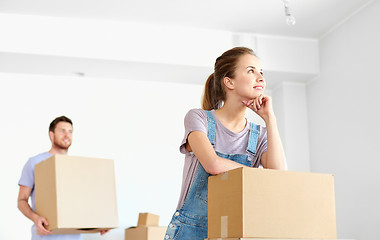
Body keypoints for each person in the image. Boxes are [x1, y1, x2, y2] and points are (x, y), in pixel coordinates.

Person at [164, 47, 286, 240]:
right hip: (190, 232)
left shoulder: (259, 134)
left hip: (236, 232)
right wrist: (258, 175)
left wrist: (270, 119)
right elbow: (213, 164)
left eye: (261, 72)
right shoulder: (199, 118)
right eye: (251, 70)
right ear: (229, 82)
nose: (261, 78)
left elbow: (278, 176)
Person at [17, 116, 108, 240]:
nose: (67, 135)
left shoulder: (77, 166)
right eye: (62, 131)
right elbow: (21, 200)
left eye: (70, 132)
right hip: (46, 236)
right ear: (51, 134)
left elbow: (84, 201)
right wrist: (36, 218)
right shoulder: (35, 163)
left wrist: (100, 222)